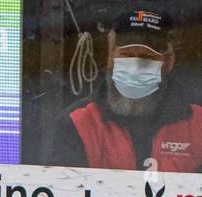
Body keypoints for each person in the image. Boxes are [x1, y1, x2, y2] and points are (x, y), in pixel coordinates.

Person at [52, 6, 202, 171]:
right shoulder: (78, 122)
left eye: (147, 57)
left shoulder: (198, 125)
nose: (136, 66)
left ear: (169, 61)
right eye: (127, 55)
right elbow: (62, 191)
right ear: (110, 57)